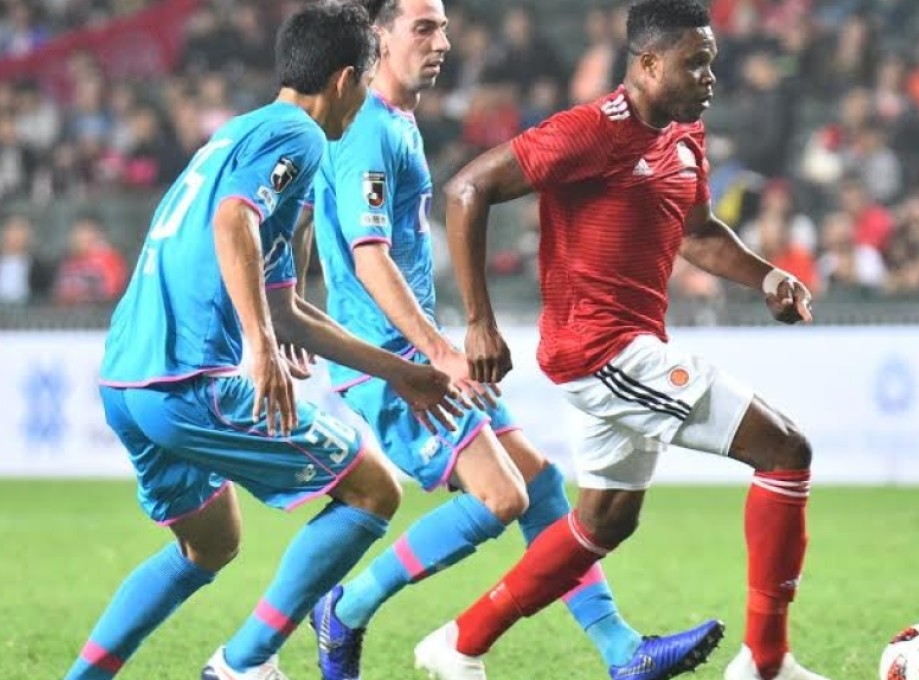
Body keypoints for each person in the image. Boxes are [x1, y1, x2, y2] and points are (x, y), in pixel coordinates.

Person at [297, 2, 723, 679]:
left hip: (414, 347)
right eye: (423, 28)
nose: (441, 41)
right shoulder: (370, 133)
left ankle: (621, 650)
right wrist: (438, 351)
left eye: (443, 26)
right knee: (501, 499)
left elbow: (312, 211)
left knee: (541, 484)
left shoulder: (392, 124)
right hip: (389, 362)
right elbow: (369, 255)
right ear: (380, 38)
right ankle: (345, 608)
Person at [414, 1, 829, 680]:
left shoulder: (685, 135)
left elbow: (696, 235)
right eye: (695, 62)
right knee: (786, 450)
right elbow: (467, 189)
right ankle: (767, 662)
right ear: (647, 63)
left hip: (625, 348)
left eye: (712, 62)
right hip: (601, 350)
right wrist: (479, 320)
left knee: (605, 522)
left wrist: (766, 277)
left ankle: (460, 643)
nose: (709, 76)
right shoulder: (587, 131)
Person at [64, 4, 463, 679]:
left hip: (127, 382)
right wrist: (254, 346)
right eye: (363, 84)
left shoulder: (237, 134)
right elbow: (231, 222)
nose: (362, 101)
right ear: (344, 80)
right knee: (374, 490)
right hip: (189, 378)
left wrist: (396, 370)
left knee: (210, 545)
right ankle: (242, 665)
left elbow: (288, 311)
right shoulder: (300, 134)